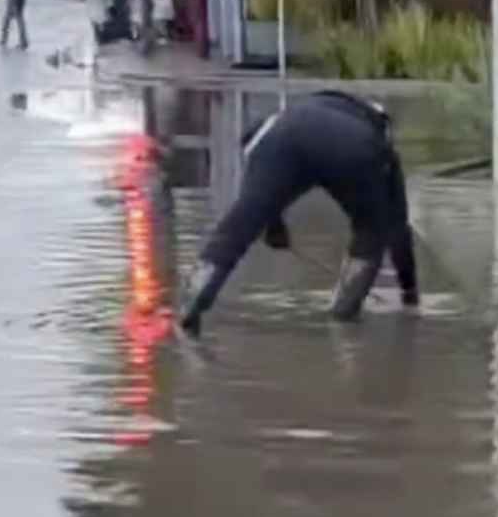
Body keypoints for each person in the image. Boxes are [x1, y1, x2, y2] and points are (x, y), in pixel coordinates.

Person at [178, 91, 420, 335]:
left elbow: (260, 198)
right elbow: (397, 227)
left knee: (238, 225)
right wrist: (409, 291)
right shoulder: (376, 138)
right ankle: (342, 316)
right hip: (353, 147)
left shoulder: (276, 125)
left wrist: (273, 226)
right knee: (371, 232)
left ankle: (192, 303)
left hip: (285, 141)